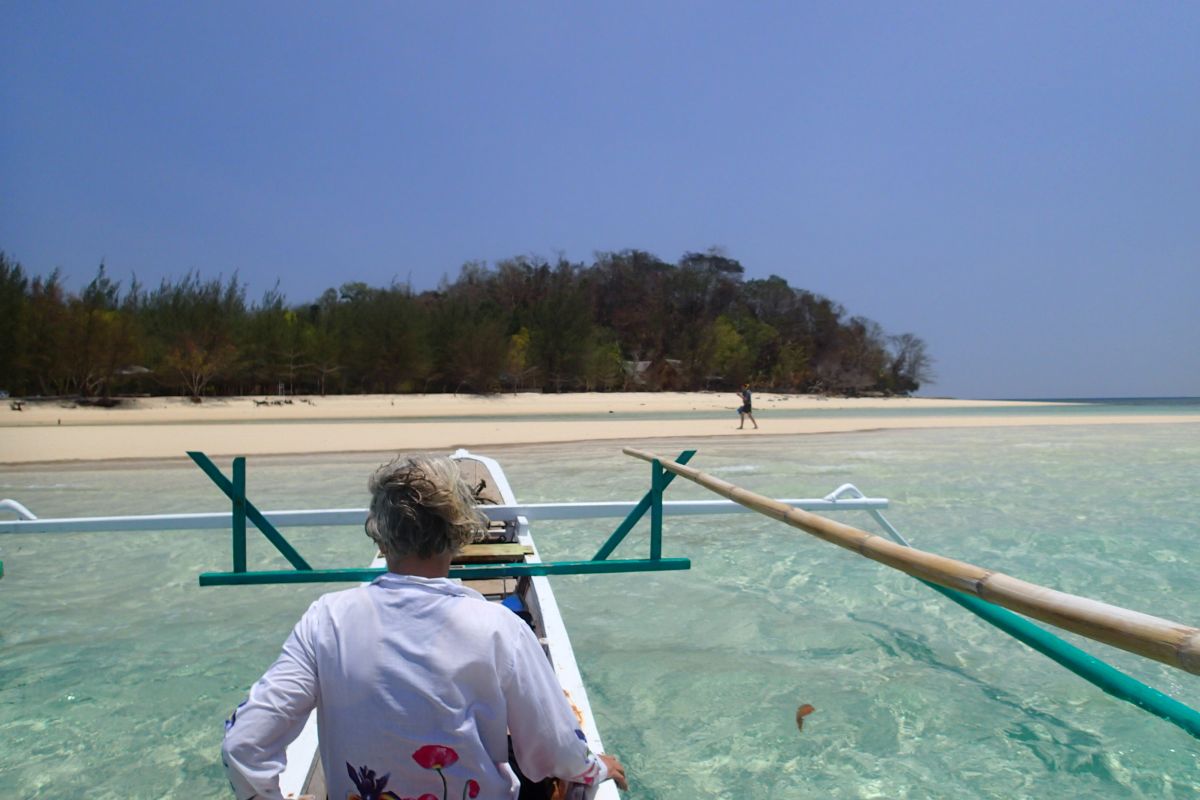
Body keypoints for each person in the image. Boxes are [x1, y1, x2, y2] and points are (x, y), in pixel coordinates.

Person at [221, 453, 627, 800]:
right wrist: (595, 769)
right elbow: (553, 748)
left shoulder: (327, 620)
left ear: (380, 540)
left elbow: (244, 744)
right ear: (459, 537)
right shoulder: (499, 628)